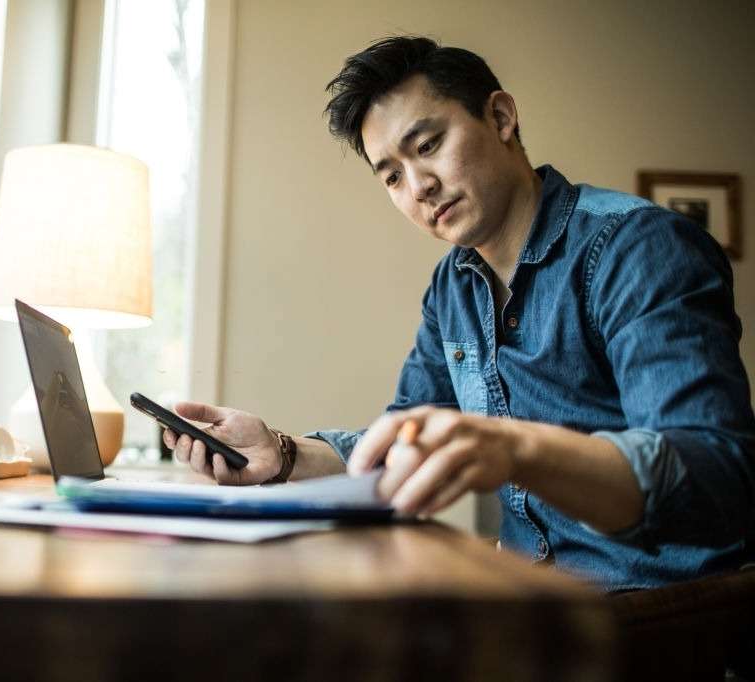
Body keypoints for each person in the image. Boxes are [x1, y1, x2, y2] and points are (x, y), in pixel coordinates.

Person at [162, 36, 754, 590]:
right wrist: (280, 453)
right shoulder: (453, 286)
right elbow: (405, 440)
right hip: (533, 606)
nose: (417, 185)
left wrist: (518, 449)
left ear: (500, 117)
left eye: (428, 147)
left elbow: (715, 481)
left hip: (665, 615)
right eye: (391, 175)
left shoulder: (638, 248)